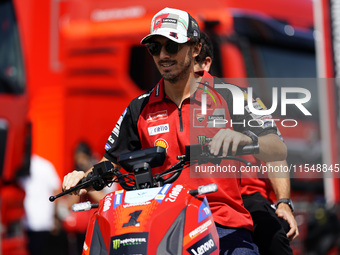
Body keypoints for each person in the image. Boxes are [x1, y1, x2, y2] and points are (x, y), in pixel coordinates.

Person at [63, 7, 287, 254]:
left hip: (221, 224)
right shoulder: (139, 108)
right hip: (162, 228)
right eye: (154, 48)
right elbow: (111, 163)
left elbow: (276, 148)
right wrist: (83, 180)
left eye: (171, 46)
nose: (162, 55)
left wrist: (246, 140)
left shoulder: (232, 96)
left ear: (195, 49)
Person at [194, 32, 298, 254]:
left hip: (246, 197)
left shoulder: (239, 98)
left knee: (275, 239)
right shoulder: (157, 108)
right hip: (193, 200)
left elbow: (276, 153)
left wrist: (283, 203)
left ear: (206, 63)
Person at [19, 154, 67, 255]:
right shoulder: (44, 165)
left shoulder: (20, 166)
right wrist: (56, 218)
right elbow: (57, 191)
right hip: (43, 223)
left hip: (30, 223)